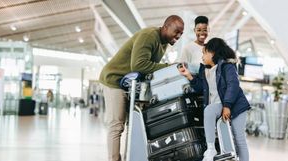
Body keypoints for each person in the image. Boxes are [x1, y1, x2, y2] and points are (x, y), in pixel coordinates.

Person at [99, 15, 184, 161]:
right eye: (176, 31)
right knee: (117, 125)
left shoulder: (163, 43)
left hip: (129, 84)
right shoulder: (149, 36)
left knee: (132, 126)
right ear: (166, 26)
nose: (178, 36)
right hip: (114, 79)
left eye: (181, 34)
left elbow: (148, 70)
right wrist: (169, 67)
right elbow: (139, 66)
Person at [178, 38, 250, 161]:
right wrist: (188, 75)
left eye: (204, 53)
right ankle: (210, 148)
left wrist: (227, 106)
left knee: (239, 138)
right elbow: (201, 87)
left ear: (213, 53)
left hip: (236, 106)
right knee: (209, 110)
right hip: (219, 104)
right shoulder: (205, 70)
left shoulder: (227, 66)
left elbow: (233, 85)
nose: (202, 56)